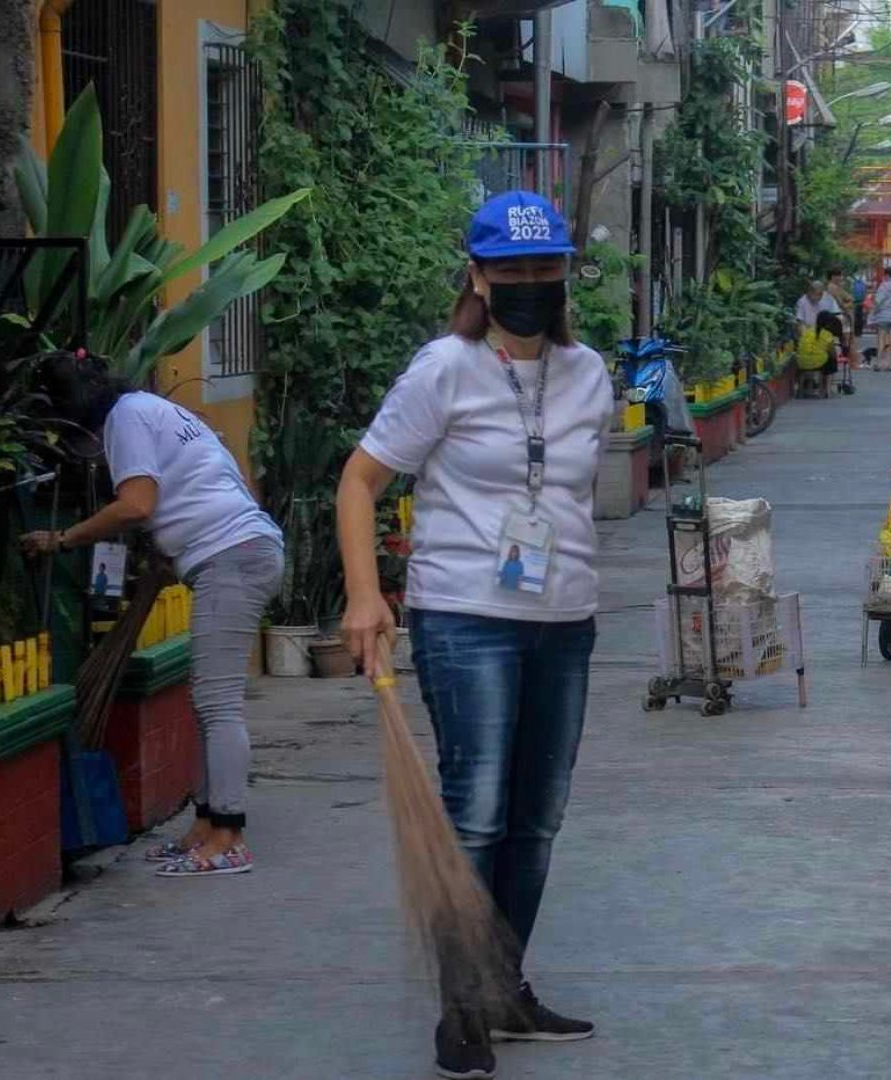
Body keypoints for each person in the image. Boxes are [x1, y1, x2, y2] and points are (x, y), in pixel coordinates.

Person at [335, 191, 612, 1079]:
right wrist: (365, 596)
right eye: (513, 270)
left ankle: (505, 988)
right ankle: (462, 1005)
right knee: (479, 812)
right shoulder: (443, 370)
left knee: (538, 821)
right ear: (479, 276)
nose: (532, 284)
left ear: (565, 274)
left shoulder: (590, 376)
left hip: (565, 620)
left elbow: (565, 496)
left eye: (547, 268)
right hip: (465, 618)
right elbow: (359, 481)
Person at [20, 351, 284, 879]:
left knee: (218, 702)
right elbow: (211, 479)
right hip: (239, 549)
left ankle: (229, 838)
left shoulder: (124, 419)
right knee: (208, 701)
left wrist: (64, 539)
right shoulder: (157, 409)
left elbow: (137, 503)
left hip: (229, 557)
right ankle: (206, 827)